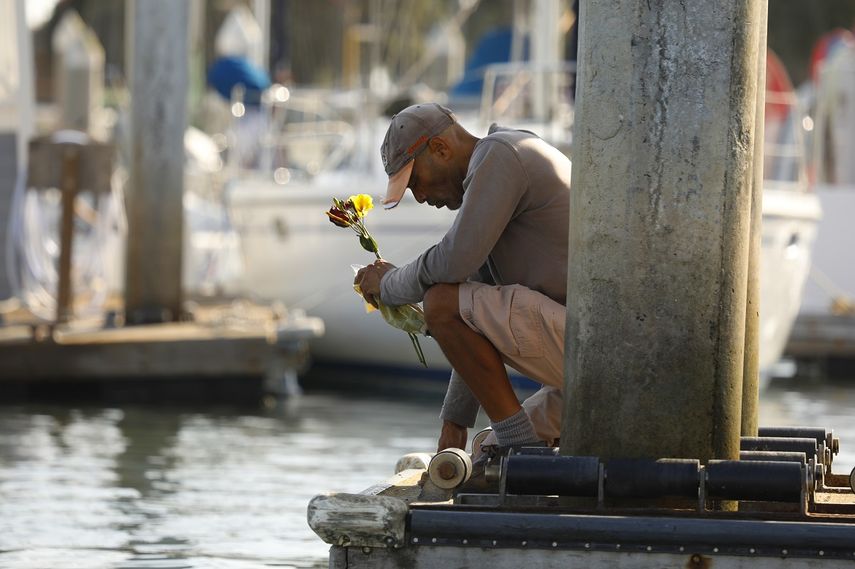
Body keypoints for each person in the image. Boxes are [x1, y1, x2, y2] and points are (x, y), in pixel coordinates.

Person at [354, 103, 570, 457]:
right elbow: (470, 317)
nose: (421, 197)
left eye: (416, 182)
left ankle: (522, 453)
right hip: (581, 357)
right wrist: (454, 423)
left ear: (440, 149)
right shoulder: (501, 159)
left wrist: (389, 285)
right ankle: (517, 448)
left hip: (594, 352)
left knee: (439, 300)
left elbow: (452, 266)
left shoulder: (500, 154)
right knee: (485, 450)